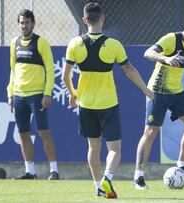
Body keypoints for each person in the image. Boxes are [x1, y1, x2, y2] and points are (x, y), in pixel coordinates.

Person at [62, 3, 153, 199]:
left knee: (93, 148)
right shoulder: (113, 45)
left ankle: (98, 186)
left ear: (84, 20)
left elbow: (65, 75)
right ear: (102, 18)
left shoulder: (74, 44)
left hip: (85, 104)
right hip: (108, 104)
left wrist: (72, 93)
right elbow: (129, 70)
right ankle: (107, 178)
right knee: (114, 150)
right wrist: (146, 90)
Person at [133, 13, 184, 190]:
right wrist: (165, 58)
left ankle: (182, 165)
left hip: (176, 91)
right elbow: (148, 53)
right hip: (157, 91)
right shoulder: (171, 39)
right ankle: (138, 177)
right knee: (151, 132)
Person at [7, 9, 59, 180]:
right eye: (21, 22)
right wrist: (10, 94)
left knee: (44, 132)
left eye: (27, 22)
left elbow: (50, 70)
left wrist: (47, 93)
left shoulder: (41, 43)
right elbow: (13, 71)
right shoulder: (14, 43)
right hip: (19, 95)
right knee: (23, 134)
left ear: (33, 23)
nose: (24, 25)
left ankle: (54, 171)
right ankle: (30, 171)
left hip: (37, 95)